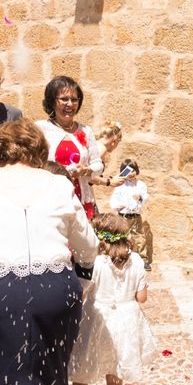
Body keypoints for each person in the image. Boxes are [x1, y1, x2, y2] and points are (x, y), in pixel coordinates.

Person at [0, 118, 99, 385]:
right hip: (55, 288)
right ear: (39, 149)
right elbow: (89, 247)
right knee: (52, 376)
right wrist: (80, 284)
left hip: (4, 286)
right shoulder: (58, 184)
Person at [70, 213, 156, 385]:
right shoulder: (135, 260)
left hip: (96, 319)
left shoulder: (94, 262)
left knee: (81, 375)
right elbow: (141, 298)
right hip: (126, 322)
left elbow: (82, 294)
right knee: (116, 377)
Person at [36, 76, 103, 219]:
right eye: (64, 99)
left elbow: (98, 164)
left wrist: (87, 170)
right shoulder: (41, 129)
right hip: (53, 199)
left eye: (74, 99)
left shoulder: (86, 131)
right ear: (53, 102)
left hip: (81, 199)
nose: (70, 104)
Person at [109, 159, 152, 270]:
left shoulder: (140, 185)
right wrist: (117, 206)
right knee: (121, 236)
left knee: (139, 237)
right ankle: (121, 256)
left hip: (135, 216)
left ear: (137, 171)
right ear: (123, 172)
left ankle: (143, 259)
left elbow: (145, 198)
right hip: (122, 216)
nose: (131, 173)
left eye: (133, 170)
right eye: (128, 171)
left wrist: (140, 198)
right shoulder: (120, 185)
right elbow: (114, 199)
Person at [90, 120, 126, 188]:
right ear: (115, 140)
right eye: (118, 142)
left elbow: (93, 173)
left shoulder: (96, 144)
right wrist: (110, 182)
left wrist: (112, 179)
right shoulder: (101, 149)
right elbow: (86, 175)